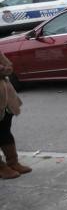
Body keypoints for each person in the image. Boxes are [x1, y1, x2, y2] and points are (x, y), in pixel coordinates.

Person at [0, 51, 27, 179]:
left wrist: (5, 69)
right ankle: (1, 167)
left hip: (6, 97)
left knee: (5, 130)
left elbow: (8, 67)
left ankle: (13, 162)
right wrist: (2, 69)